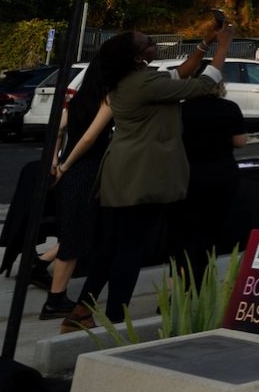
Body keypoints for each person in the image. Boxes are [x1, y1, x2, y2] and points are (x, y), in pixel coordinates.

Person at [61, 21, 230, 323]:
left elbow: (181, 71)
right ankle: (115, 318)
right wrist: (225, 46)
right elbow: (203, 85)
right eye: (148, 42)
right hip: (142, 176)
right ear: (137, 57)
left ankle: (82, 309)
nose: (154, 43)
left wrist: (205, 43)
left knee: (110, 245)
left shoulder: (131, 80)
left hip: (120, 174)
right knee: (131, 248)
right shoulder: (144, 84)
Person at [39, 63, 114, 325]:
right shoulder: (107, 99)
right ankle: (55, 298)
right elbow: (89, 140)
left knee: (70, 230)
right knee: (75, 235)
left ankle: (55, 293)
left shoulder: (78, 100)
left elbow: (57, 129)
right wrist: (66, 163)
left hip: (70, 172)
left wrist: (54, 162)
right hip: (87, 169)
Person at [171, 88, 248, 279]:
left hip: (188, 175)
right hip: (221, 176)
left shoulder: (181, 110)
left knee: (185, 233)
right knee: (210, 234)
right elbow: (240, 141)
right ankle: (200, 282)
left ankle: (181, 285)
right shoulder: (230, 108)